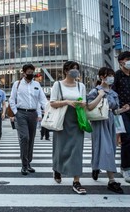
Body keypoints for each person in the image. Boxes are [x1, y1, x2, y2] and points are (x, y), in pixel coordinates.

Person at [87, 67, 127, 194]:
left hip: (111, 122)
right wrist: (100, 96)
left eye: (111, 75)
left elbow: (115, 111)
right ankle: (112, 180)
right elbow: (89, 107)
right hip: (99, 121)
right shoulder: (95, 91)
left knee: (110, 149)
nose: (110, 78)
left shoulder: (114, 93)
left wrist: (123, 110)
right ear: (101, 77)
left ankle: (95, 166)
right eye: (107, 75)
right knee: (106, 149)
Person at [50, 61, 87, 194]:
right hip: (62, 119)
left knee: (77, 150)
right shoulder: (57, 84)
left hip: (77, 119)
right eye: (72, 69)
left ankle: (76, 181)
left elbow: (84, 103)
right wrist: (66, 102)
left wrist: (81, 104)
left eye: (77, 69)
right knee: (60, 148)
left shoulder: (81, 85)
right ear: (66, 71)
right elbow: (52, 103)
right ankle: (57, 168)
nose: (75, 71)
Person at [9, 64, 47, 175]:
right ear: (24, 73)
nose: (31, 74)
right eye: (29, 72)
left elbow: (42, 100)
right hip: (21, 113)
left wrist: (47, 110)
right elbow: (11, 99)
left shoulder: (37, 84)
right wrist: (16, 113)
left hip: (33, 114)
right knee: (24, 138)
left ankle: (28, 162)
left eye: (32, 72)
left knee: (31, 139)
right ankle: (24, 165)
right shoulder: (17, 84)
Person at [113, 51, 130, 183]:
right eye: (127, 59)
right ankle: (125, 167)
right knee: (127, 139)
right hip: (121, 112)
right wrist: (118, 108)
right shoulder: (117, 76)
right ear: (121, 62)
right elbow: (113, 94)